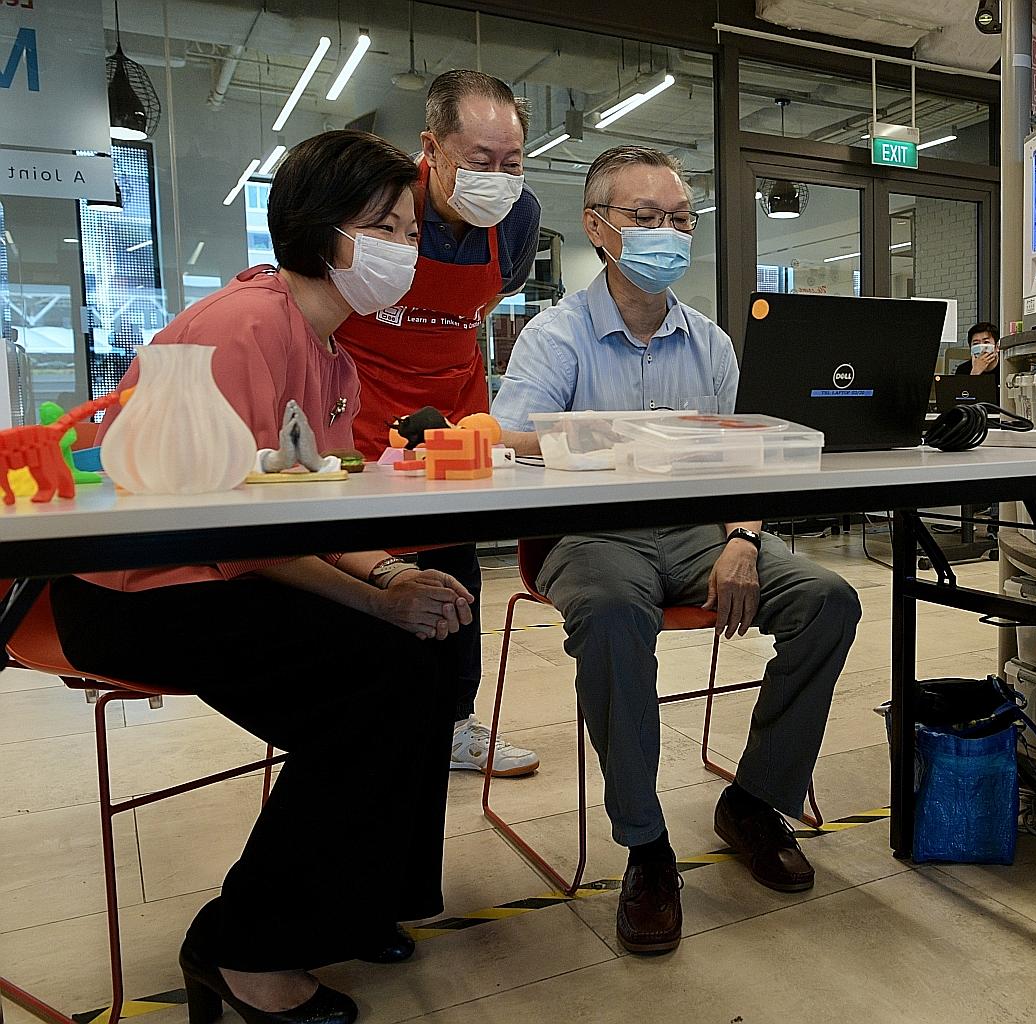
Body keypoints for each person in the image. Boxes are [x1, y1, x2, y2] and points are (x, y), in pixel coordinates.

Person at [50, 131, 471, 1024]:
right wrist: (375, 600)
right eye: (383, 227)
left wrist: (397, 573)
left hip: (214, 570)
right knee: (379, 674)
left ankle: (361, 899)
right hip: (133, 591)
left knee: (435, 651)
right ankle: (243, 948)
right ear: (321, 230)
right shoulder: (246, 325)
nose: (406, 247)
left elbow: (321, 498)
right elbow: (244, 531)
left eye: (409, 228)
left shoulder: (333, 356)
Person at [491, 146, 862, 955]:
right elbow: (509, 444)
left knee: (828, 598)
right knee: (618, 615)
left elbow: (745, 459)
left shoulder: (714, 345)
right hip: (590, 534)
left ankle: (755, 802)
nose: (668, 233)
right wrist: (616, 444)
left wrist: (740, 537)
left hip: (700, 532)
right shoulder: (555, 339)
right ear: (598, 229)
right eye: (646, 218)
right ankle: (646, 846)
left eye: (680, 219)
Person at [334, 69, 543, 780]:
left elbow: (488, 300)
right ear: (432, 147)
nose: (498, 177)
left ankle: (454, 723)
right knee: (370, 578)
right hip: (362, 414)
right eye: (479, 161)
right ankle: (362, 726)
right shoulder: (382, 207)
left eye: (511, 162)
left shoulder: (514, 220)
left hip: (452, 411)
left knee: (453, 574)